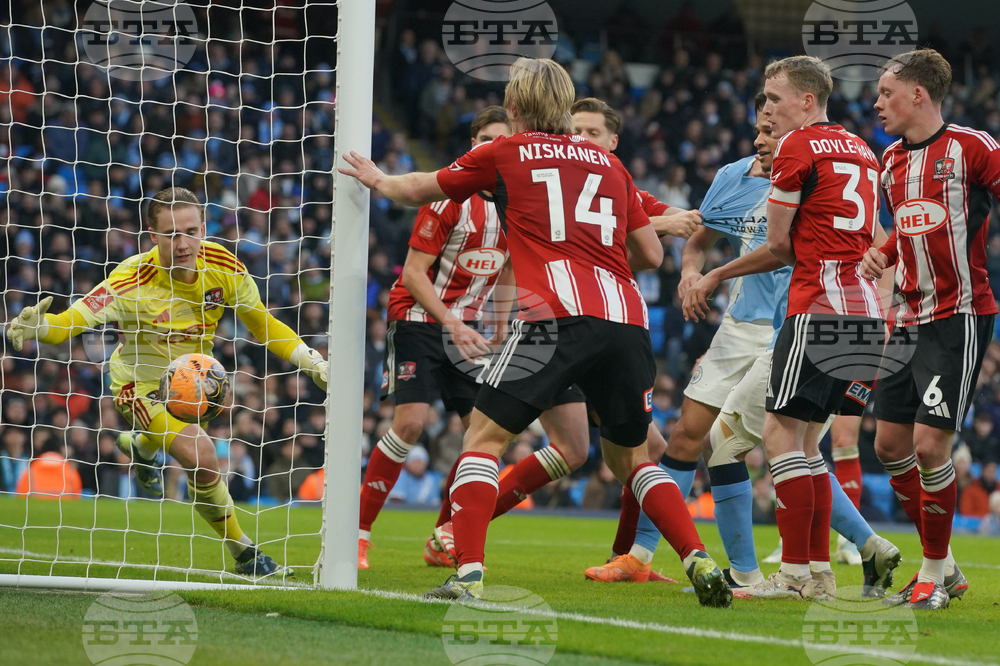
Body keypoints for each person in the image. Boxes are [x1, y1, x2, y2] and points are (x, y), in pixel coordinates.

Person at [341, 57, 732, 608]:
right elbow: (650, 252)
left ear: (518, 106)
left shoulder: (505, 152)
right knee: (635, 460)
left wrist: (378, 178)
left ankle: (469, 576)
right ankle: (698, 558)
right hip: (626, 320)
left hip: (553, 319)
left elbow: (420, 188)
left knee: (482, 441)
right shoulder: (608, 166)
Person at [6, 187, 329, 579]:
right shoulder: (128, 280)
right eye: (172, 234)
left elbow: (263, 325)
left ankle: (141, 445)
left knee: (191, 450)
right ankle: (246, 555)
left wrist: (311, 361)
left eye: (191, 231)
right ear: (152, 234)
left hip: (195, 383)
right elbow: (69, 324)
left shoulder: (224, 267)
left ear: (204, 227)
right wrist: (41, 325)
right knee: (203, 457)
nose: (183, 243)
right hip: (136, 387)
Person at [357, 106, 591, 570]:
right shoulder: (447, 199)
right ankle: (357, 536)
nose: (489, 146)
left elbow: (504, 271)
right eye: (483, 138)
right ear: (472, 143)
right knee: (410, 424)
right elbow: (416, 275)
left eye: (499, 139)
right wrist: (454, 323)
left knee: (478, 439)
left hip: (469, 331)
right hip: (422, 318)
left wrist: (500, 328)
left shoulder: (514, 204)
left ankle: (442, 536)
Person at [863, 48, 999, 609]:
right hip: (909, 318)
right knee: (890, 444)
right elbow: (911, 222)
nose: (876, 103)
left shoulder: (974, 148)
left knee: (927, 445)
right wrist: (885, 251)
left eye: (885, 93)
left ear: (917, 94)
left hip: (959, 316)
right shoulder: (891, 160)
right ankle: (946, 567)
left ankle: (933, 575)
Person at [758, 55, 884, 600]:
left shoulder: (797, 145)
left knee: (778, 436)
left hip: (819, 308)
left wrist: (717, 272)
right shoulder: (863, 148)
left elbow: (777, 243)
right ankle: (817, 574)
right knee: (808, 444)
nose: (767, 109)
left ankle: (791, 575)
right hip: (866, 315)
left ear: (807, 100)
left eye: (774, 98)